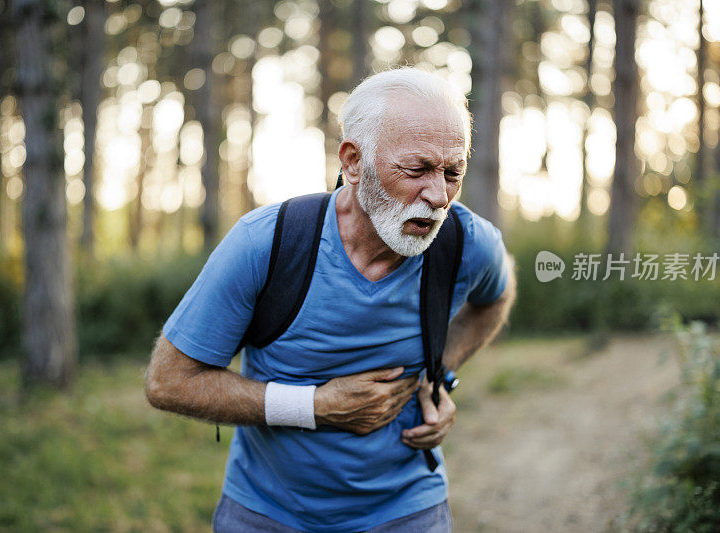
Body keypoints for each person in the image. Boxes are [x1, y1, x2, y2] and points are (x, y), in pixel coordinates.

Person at [145, 67, 516, 532]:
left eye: (452, 172)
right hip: (267, 513)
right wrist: (315, 407)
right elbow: (168, 382)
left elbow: (496, 298)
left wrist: (438, 376)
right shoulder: (267, 244)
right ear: (353, 161)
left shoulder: (466, 242)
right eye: (417, 169)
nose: (439, 195)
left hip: (408, 510)